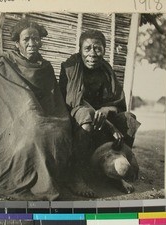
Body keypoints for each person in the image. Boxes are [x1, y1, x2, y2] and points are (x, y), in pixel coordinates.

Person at [0, 19, 72, 201]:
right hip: (15, 120)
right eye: (26, 40)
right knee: (35, 131)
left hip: (45, 116)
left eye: (36, 39)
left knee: (60, 130)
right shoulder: (6, 65)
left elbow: (53, 99)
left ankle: (52, 178)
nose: (32, 44)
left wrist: (44, 116)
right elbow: (5, 99)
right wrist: (30, 112)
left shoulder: (46, 68)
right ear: (17, 43)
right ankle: (34, 181)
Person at [59, 30, 140, 197]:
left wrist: (106, 110)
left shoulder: (106, 70)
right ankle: (76, 176)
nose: (92, 54)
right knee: (87, 114)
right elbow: (74, 100)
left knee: (129, 119)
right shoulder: (71, 66)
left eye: (98, 48)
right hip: (76, 114)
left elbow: (118, 103)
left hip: (102, 115)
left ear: (104, 50)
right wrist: (109, 125)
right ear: (80, 49)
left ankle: (114, 172)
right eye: (87, 48)